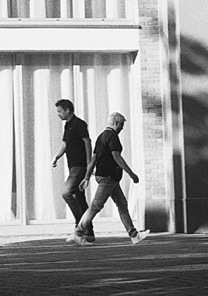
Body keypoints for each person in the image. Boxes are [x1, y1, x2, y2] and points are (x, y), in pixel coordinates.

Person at [71, 112, 150, 246]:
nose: (122, 128)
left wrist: (87, 178)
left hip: (106, 177)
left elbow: (93, 159)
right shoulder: (112, 136)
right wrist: (131, 173)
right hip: (108, 177)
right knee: (96, 206)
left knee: (122, 205)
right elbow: (116, 156)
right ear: (115, 123)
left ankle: (134, 235)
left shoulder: (101, 137)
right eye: (121, 124)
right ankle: (78, 232)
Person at [52, 99, 94, 242]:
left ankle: (79, 227)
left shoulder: (79, 124)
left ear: (67, 110)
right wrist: (57, 157)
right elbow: (65, 144)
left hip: (80, 166)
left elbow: (87, 142)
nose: (58, 114)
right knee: (81, 199)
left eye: (59, 111)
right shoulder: (68, 126)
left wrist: (89, 164)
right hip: (73, 166)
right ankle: (88, 233)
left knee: (66, 192)